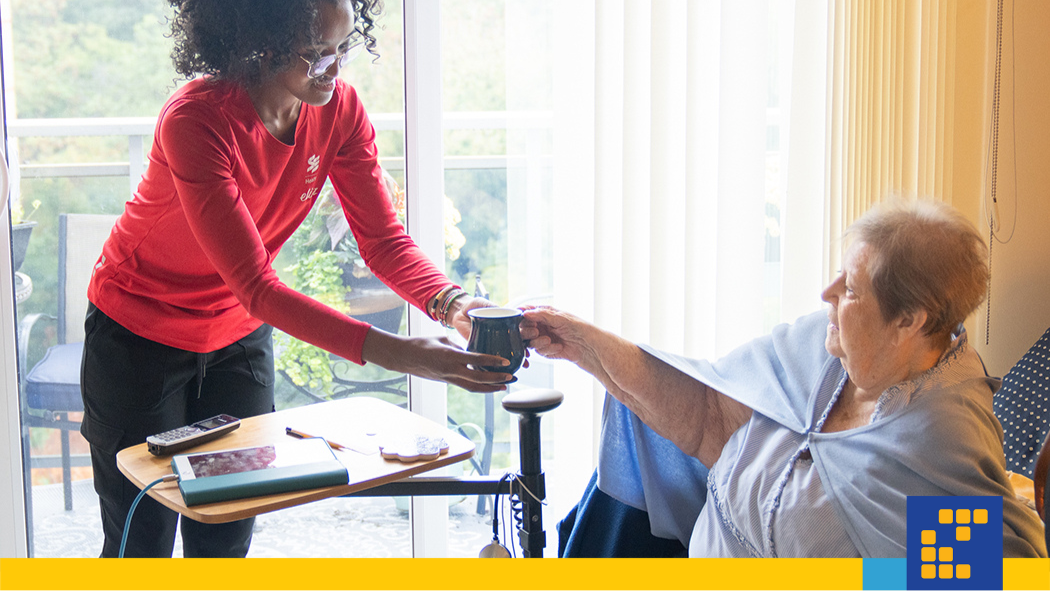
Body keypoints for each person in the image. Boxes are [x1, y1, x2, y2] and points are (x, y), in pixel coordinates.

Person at [80, 0, 512, 558]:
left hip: (236, 338)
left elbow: (382, 242)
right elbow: (257, 286)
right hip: (137, 336)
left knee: (228, 532)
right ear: (260, 43)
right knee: (142, 542)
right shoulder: (197, 120)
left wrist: (451, 303)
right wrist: (402, 354)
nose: (333, 70)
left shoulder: (342, 112)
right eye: (314, 55)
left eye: (342, 49)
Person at [521, 200, 1047, 558]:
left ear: (910, 320)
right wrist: (580, 341)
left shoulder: (939, 435)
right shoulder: (819, 350)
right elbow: (707, 419)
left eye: (852, 288)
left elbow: (995, 571)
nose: (827, 293)